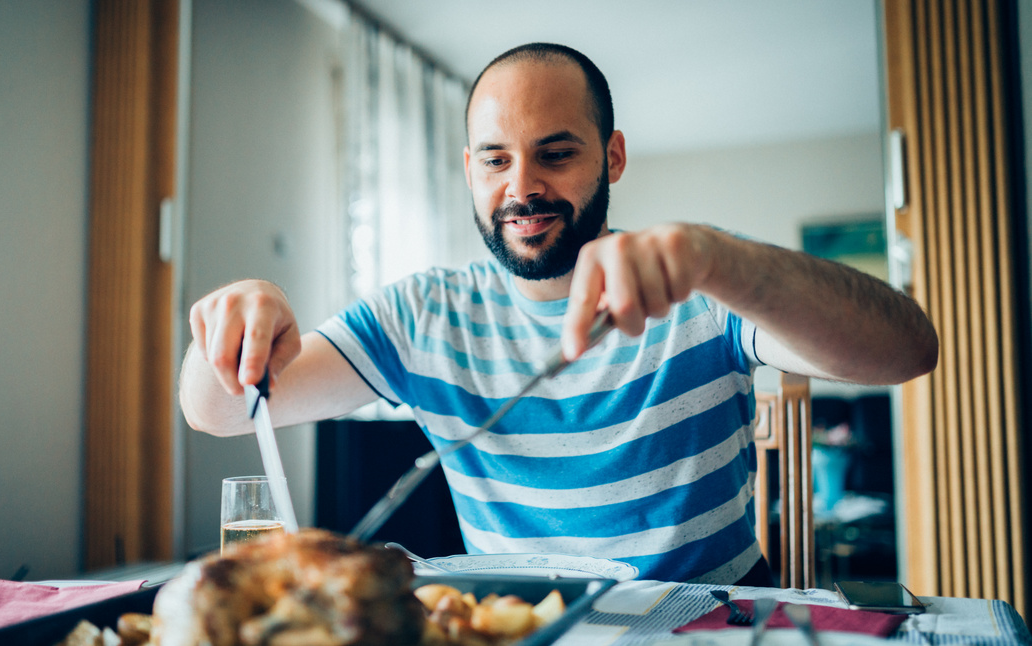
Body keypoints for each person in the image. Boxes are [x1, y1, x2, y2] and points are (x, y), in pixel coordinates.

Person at [180, 43, 938, 585]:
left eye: (556, 153)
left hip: (716, 622)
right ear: (470, 168)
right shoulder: (423, 314)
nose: (522, 187)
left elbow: (908, 349)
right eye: (495, 158)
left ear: (611, 158)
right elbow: (217, 411)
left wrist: (725, 260)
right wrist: (239, 321)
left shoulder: (703, 276)